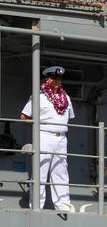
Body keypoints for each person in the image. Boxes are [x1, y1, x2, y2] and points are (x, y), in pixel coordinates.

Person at [20, 66, 75, 211]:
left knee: (61, 172)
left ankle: (63, 206)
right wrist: (38, 130)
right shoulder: (39, 96)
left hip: (62, 138)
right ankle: (37, 205)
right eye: (53, 78)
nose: (56, 81)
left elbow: (68, 118)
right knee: (40, 171)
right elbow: (24, 117)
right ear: (47, 79)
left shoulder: (66, 97)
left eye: (58, 78)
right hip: (44, 136)